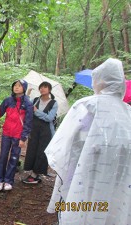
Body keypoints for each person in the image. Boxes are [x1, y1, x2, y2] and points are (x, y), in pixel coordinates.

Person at [45, 58, 131, 224]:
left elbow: (64, 143)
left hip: (82, 173)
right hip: (115, 183)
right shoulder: (127, 113)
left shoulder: (87, 105)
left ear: (102, 82)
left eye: (95, 81)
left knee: (81, 208)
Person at [0, 79, 33, 191]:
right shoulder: (8, 100)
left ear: (24, 88)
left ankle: (8, 180)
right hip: (6, 133)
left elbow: (28, 122)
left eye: (19, 86)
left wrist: (23, 137)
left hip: (18, 135)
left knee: (14, 158)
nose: (16, 87)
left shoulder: (28, 103)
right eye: (15, 85)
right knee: (3, 156)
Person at [22, 81, 58, 184]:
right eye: (41, 87)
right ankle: (33, 172)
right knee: (32, 149)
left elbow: (49, 118)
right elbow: (26, 107)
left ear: (49, 90)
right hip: (34, 130)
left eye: (45, 87)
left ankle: (35, 175)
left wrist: (36, 111)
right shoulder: (35, 100)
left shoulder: (53, 103)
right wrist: (27, 94)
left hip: (46, 132)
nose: (42, 89)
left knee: (41, 151)